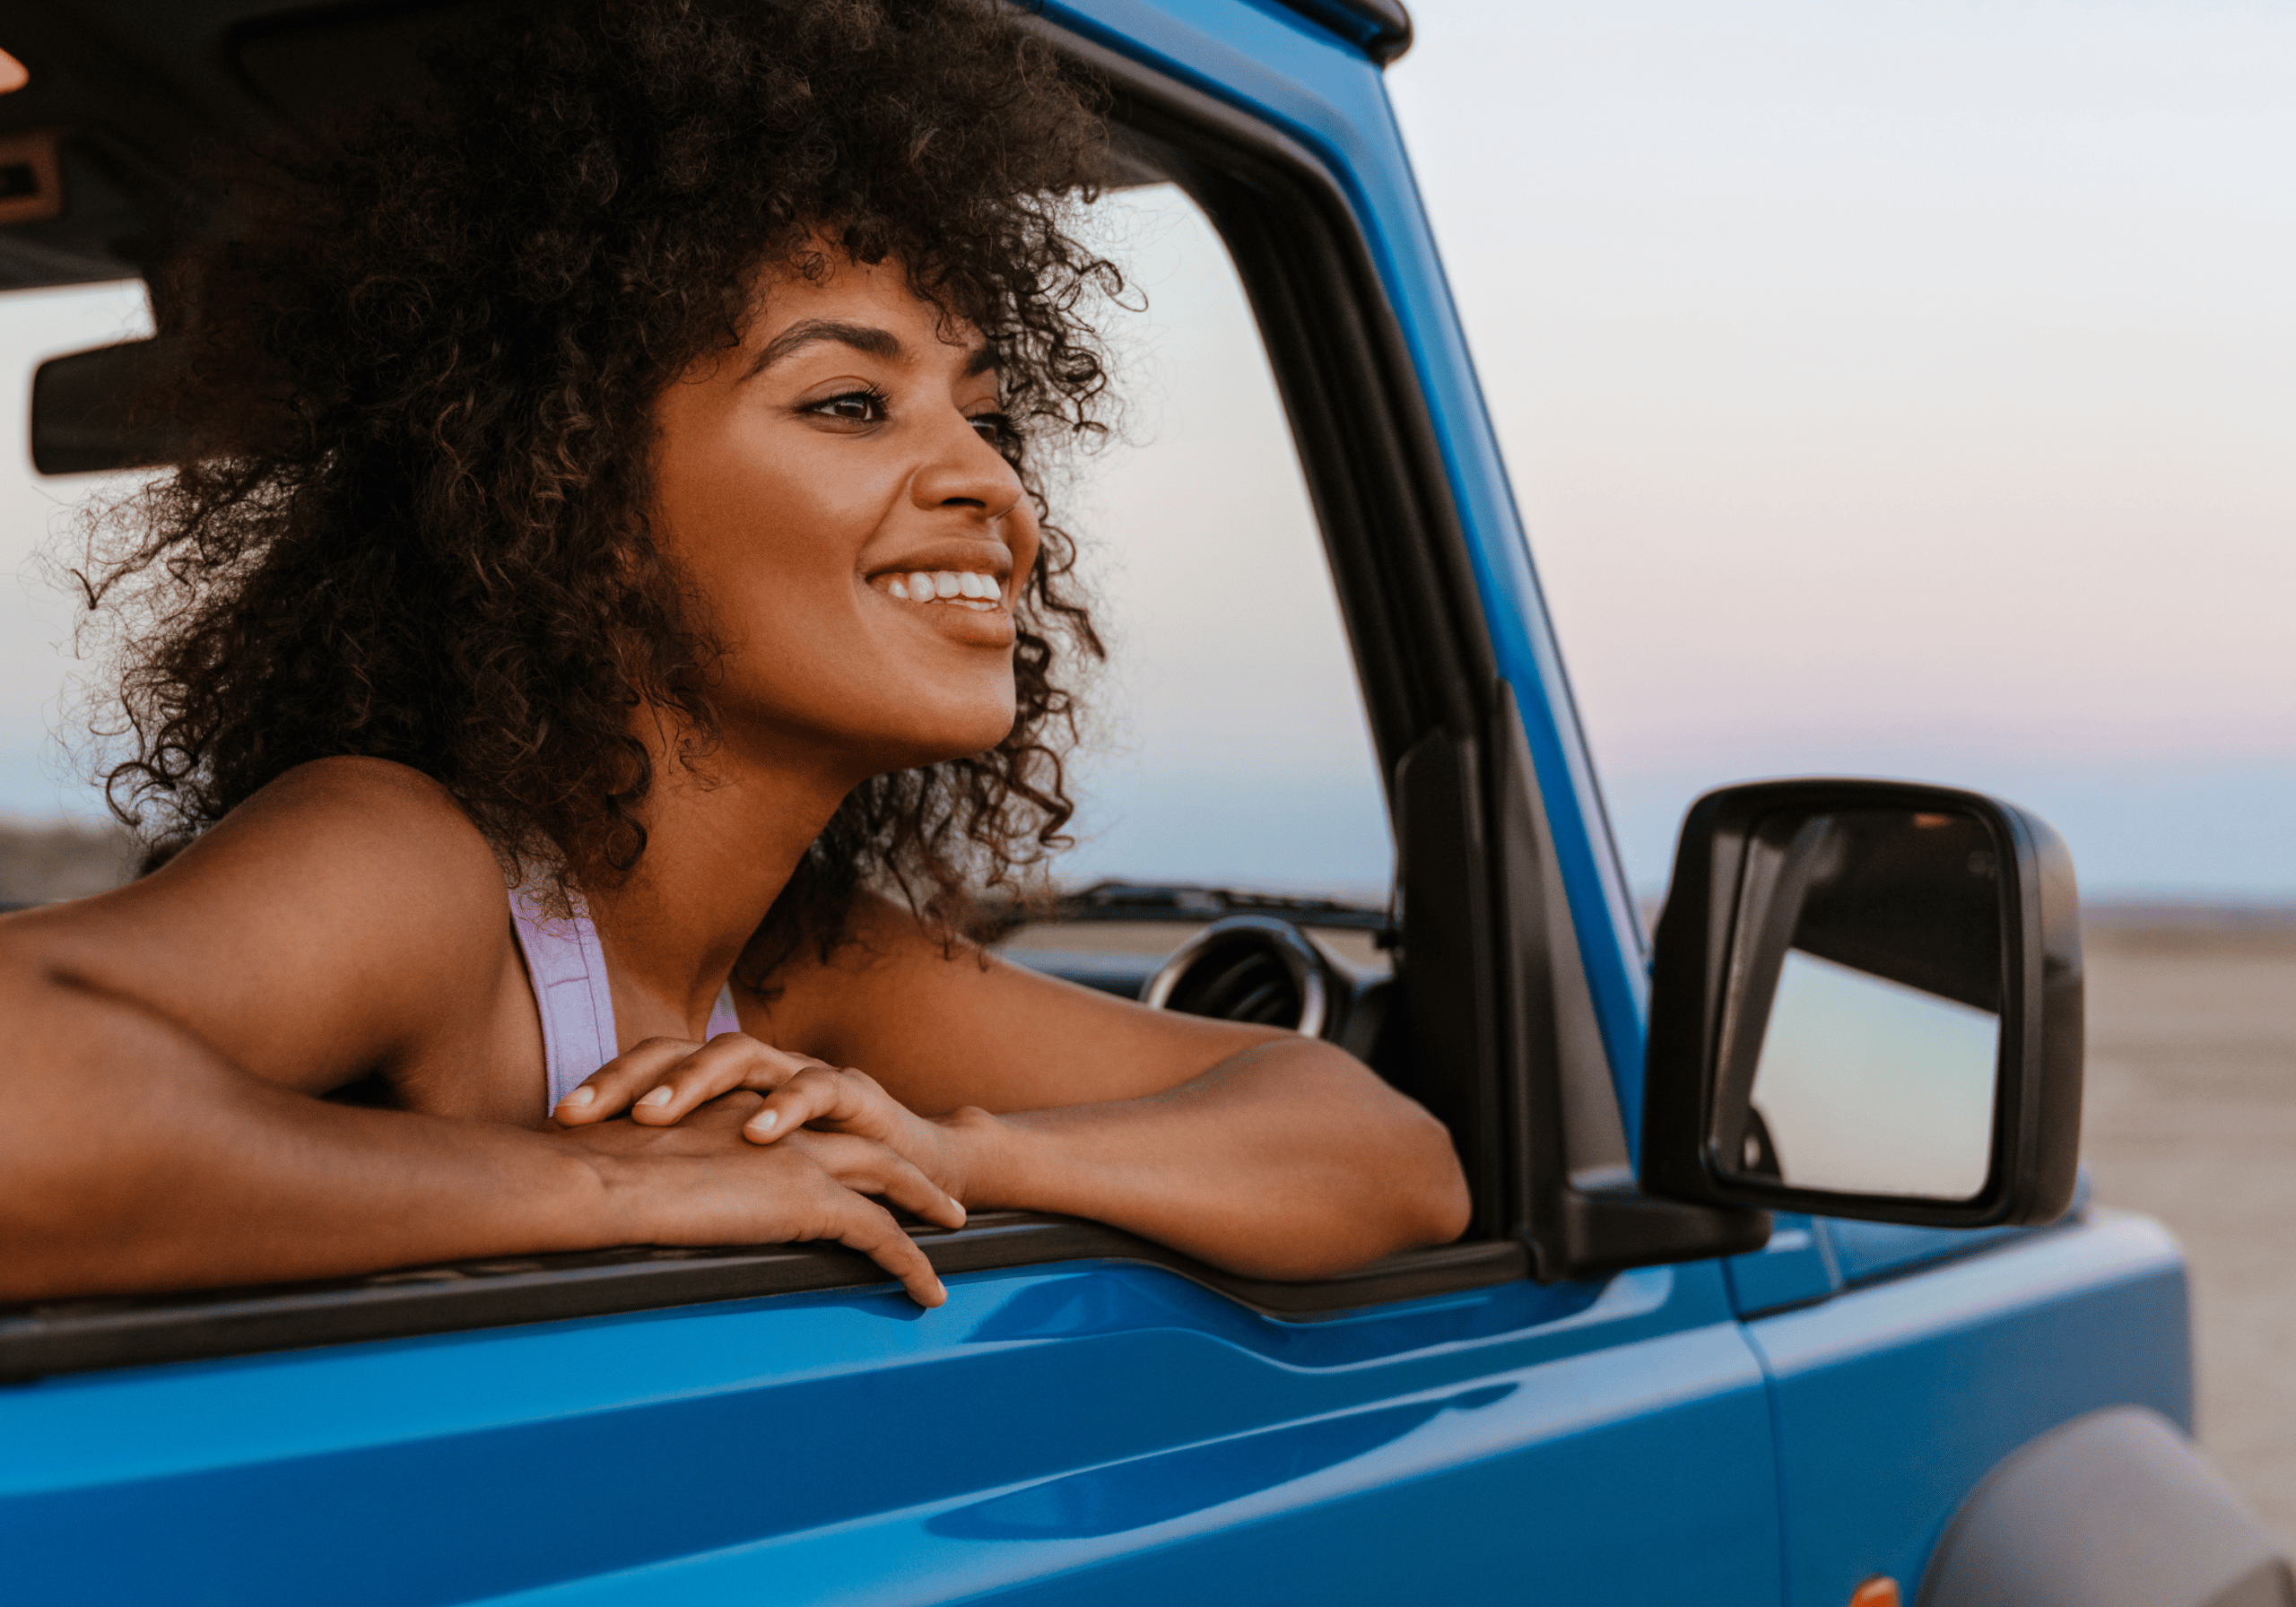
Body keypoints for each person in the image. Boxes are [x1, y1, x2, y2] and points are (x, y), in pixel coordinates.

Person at [0, 0, 1469, 1308]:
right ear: (580, 502)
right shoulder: (422, 867)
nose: (994, 487)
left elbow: (1387, 1159)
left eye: (989, 419)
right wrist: (615, 1194)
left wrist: (951, 1146)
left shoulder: (801, 970)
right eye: (847, 404)